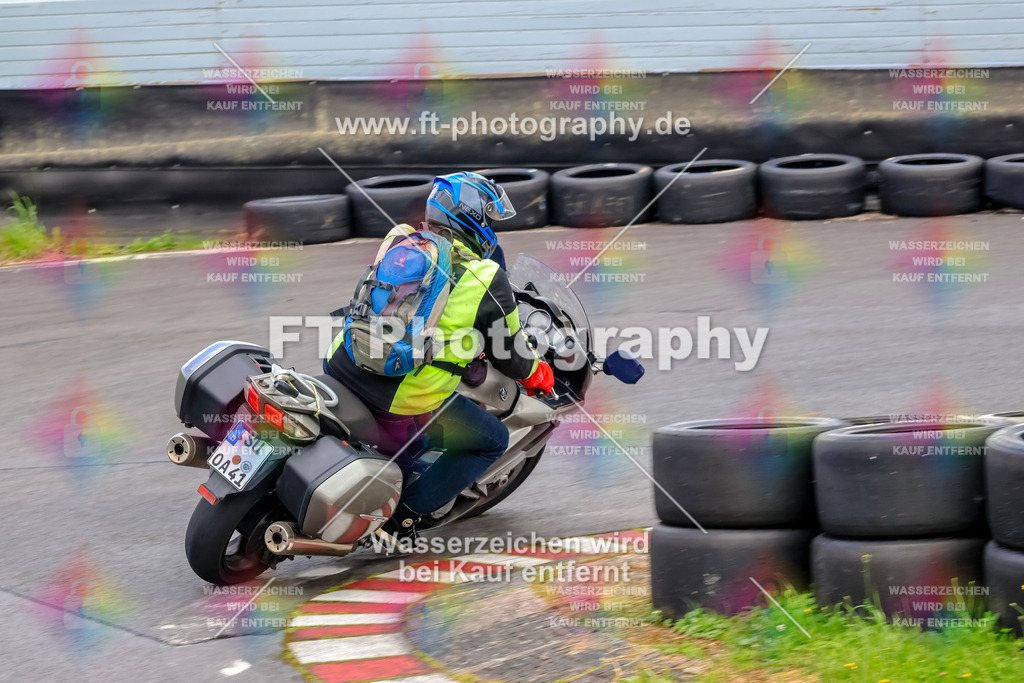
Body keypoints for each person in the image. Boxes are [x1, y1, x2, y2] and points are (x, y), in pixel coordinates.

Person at [324, 172, 554, 537]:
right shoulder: (484, 276)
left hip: (341, 363)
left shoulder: (398, 239)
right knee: (491, 439)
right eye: (489, 219)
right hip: (399, 398)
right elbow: (510, 354)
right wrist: (538, 373)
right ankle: (403, 518)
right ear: (473, 220)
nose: (493, 227)